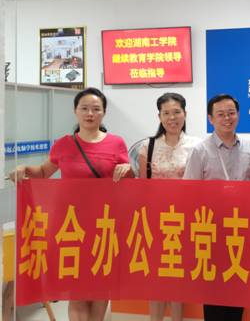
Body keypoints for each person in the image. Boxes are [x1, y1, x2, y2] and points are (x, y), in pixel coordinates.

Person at [10, 87, 132, 321]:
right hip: (71, 225)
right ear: (75, 111)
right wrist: (24, 169)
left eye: (96, 109)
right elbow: (43, 172)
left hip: (104, 224)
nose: (90, 113)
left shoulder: (116, 143)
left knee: (100, 285)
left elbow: (127, 180)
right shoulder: (64, 144)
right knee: (76, 287)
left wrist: (128, 168)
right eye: (84, 108)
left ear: (104, 112)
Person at [184, 94, 250, 321]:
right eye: (220, 114)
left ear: (238, 115)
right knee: (214, 289)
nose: (227, 118)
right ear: (211, 118)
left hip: (242, 230)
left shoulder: (249, 148)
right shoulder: (200, 150)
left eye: (231, 113)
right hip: (211, 230)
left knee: (238, 286)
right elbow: (189, 192)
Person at [137, 93, 201, 321]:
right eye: (166, 113)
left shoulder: (196, 146)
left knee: (177, 277)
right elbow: (142, 188)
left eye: (177, 112)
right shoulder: (148, 146)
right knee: (156, 277)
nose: (172, 118)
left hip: (185, 220)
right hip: (155, 221)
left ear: (185, 113)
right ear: (159, 116)